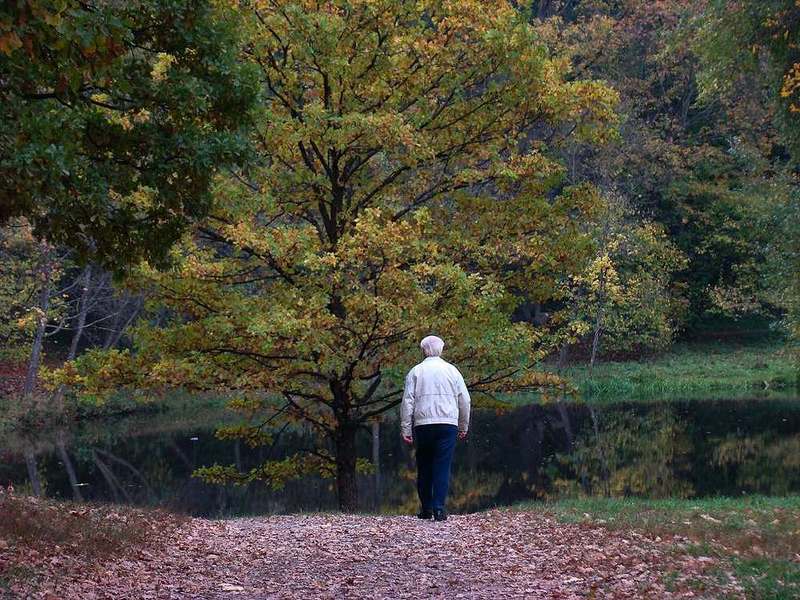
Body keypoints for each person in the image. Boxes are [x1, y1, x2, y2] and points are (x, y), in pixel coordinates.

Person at [400, 335, 470, 521]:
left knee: (424, 466)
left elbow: (408, 402)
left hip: (423, 425)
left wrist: (406, 429)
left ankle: (426, 508)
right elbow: (465, 400)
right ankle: (439, 508)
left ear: (424, 350)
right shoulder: (452, 371)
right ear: (441, 349)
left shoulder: (416, 371)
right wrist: (463, 426)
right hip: (448, 424)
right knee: (442, 466)